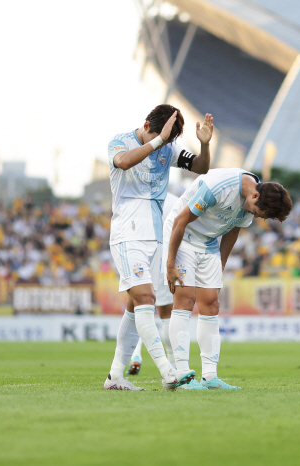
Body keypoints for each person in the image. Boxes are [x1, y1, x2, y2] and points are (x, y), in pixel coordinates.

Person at [103, 104, 213, 391]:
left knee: (134, 305)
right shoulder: (120, 141)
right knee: (145, 297)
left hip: (155, 236)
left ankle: (115, 375)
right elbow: (124, 162)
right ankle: (168, 372)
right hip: (127, 233)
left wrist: (204, 145)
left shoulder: (169, 149)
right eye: (164, 137)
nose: (167, 144)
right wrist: (158, 141)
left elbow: (201, 168)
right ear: (147, 125)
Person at [163, 168, 292, 389]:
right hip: (182, 236)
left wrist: (219, 268)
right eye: (259, 212)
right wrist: (170, 263)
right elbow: (180, 221)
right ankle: (181, 374)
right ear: (255, 196)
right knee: (185, 301)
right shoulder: (218, 188)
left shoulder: (253, 201)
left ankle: (210, 377)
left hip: (209, 242)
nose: (257, 216)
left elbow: (232, 231)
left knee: (212, 303)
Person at [125, 192, 179, 376]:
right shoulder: (174, 201)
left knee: (137, 309)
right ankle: (172, 364)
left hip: (138, 260)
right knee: (166, 316)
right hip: (164, 260)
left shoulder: (135, 198)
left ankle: (135, 355)